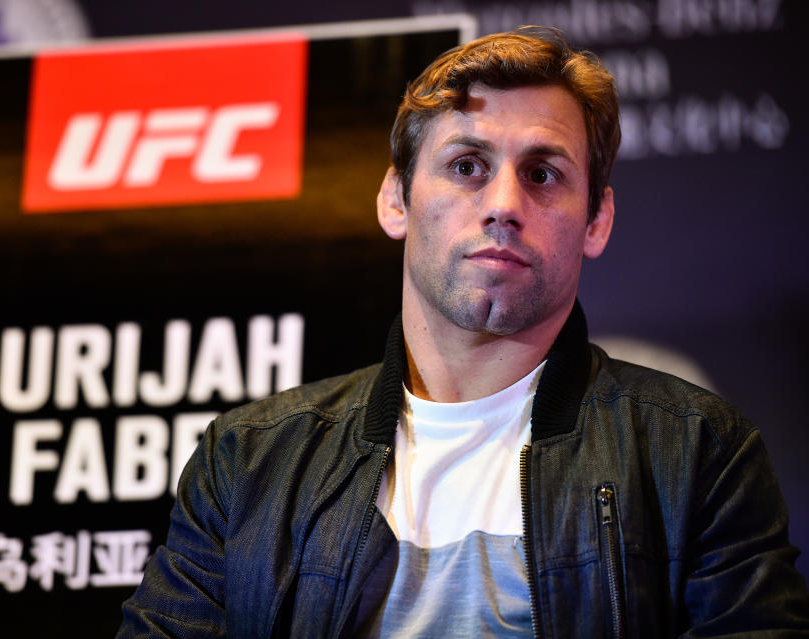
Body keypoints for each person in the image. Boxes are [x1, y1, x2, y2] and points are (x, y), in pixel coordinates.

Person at [116, 27, 809, 637]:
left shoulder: (698, 453)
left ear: (597, 220)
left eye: (542, 173)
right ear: (396, 199)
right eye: (466, 166)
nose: (504, 204)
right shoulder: (248, 461)